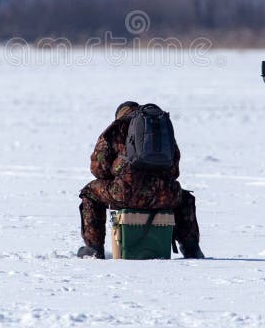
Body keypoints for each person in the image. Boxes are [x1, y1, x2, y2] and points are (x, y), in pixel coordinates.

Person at [78, 100, 204, 259]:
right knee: (184, 198)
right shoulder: (160, 129)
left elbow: (98, 169)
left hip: (126, 194)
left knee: (90, 192)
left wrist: (119, 174)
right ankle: (192, 248)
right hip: (165, 195)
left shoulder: (117, 128)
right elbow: (174, 169)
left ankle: (93, 249)